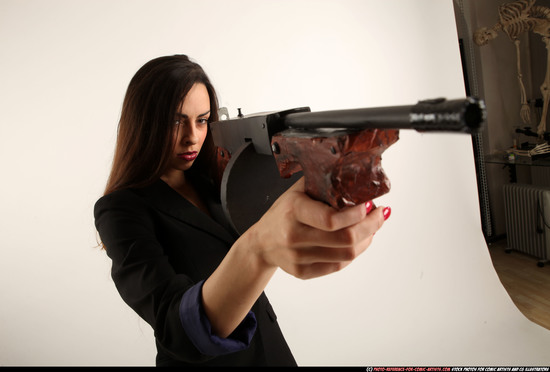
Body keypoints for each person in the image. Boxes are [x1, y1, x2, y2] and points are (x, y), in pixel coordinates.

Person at [94, 54, 391, 366]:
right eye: (175, 121)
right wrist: (258, 249)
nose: (192, 137)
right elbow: (176, 329)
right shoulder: (120, 210)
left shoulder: (214, 180)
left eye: (202, 120)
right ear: (143, 124)